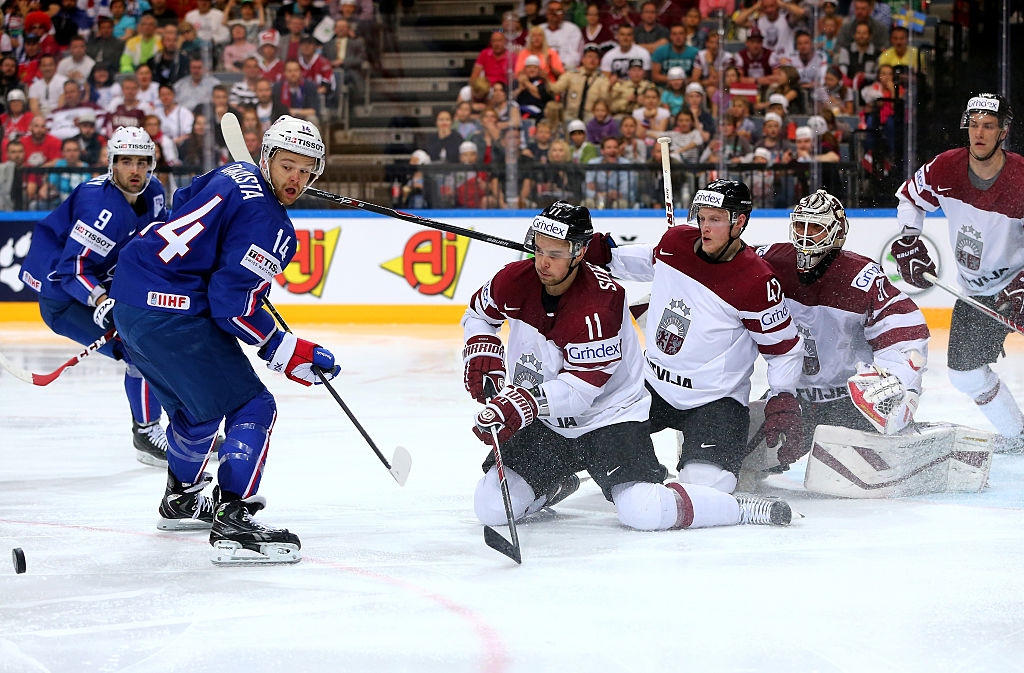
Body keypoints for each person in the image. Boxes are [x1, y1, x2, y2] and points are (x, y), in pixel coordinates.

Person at [464, 201, 792, 535]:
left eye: (556, 252)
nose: (543, 262)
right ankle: (553, 484)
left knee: (643, 512)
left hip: (608, 421)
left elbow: (579, 392)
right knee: (491, 508)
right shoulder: (512, 279)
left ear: (579, 253)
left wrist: (521, 404)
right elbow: (478, 314)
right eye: (539, 249)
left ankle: (736, 507)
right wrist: (480, 348)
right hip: (549, 422)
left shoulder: (599, 305)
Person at [108, 116, 340, 564]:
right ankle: (234, 515)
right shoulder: (273, 227)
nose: (297, 178)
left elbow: (182, 202)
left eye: (306, 170)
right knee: (252, 406)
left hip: (130, 298)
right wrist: (285, 349)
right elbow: (231, 305)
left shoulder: (231, 173)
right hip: (172, 313)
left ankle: (181, 499)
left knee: (197, 414)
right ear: (269, 159)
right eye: (288, 165)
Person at [585, 180, 805, 496]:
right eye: (702, 217)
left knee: (706, 488)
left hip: (713, 401)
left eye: (715, 219)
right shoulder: (677, 241)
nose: (705, 227)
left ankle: (705, 455)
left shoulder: (757, 281)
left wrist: (783, 396)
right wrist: (607, 257)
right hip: (652, 386)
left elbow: (783, 349)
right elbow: (650, 260)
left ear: (739, 222)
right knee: (590, 436)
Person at [742, 189, 929, 481]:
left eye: (815, 227)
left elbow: (903, 334)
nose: (805, 236)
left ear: (837, 232)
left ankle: (903, 430)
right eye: (800, 226)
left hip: (853, 402)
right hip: (796, 400)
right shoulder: (770, 263)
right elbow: (723, 269)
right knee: (735, 460)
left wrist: (898, 383)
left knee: (848, 479)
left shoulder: (861, 277)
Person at [18, 127, 170, 466]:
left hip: (105, 282)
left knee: (159, 344)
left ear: (152, 164)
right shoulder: (101, 209)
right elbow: (71, 270)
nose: (135, 170)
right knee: (139, 352)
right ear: (111, 164)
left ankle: (175, 428)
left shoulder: (155, 192)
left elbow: (157, 242)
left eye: (142, 162)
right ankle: (146, 433)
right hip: (64, 299)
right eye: (126, 161)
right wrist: (101, 301)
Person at [892, 93, 1024, 452]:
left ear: (1003, 133)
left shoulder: (1021, 178)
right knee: (964, 374)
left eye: (989, 126)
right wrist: (908, 241)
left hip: (1017, 285)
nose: (979, 133)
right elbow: (910, 197)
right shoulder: (945, 167)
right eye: (974, 125)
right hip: (976, 293)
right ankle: (1018, 436)